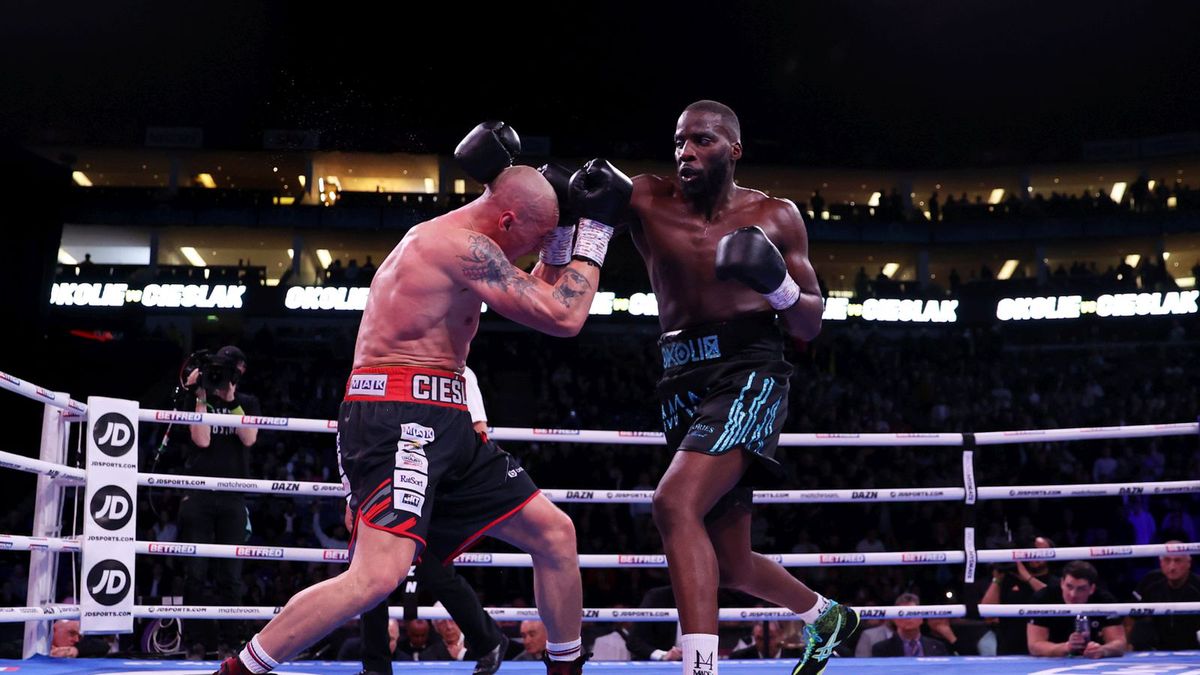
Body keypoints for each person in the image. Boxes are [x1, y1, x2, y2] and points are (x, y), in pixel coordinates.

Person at [213, 121, 631, 675]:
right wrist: (594, 233)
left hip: (446, 415)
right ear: (506, 220)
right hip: (398, 417)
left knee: (555, 533)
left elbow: (544, 293)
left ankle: (565, 671)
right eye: (531, 241)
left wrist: (559, 231)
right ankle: (237, 671)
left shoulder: (473, 239)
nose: (531, 257)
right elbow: (564, 314)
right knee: (376, 577)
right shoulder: (455, 247)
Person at [619, 99, 855, 675]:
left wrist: (775, 286)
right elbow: (560, 201)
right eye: (679, 143)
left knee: (673, 502)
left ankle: (699, 668)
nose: (686, 154)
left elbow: (810, 322)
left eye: (701, 141)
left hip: (750, 370)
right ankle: (825, 615)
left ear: (734, 149)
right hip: (679, 375)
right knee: (730, 564)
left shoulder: (776, 217)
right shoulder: (647, 199)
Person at [347, 366, 509, 675]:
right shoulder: (388, 372)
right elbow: (365, 438)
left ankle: (489, 639)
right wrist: (352, 496)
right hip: (392, 479)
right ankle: (375, 665)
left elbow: (479, 432)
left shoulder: (460, 372)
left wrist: (455, 491)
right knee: (370, 572)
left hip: (436, 485)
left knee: (435, 571)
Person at [180, 345, 259, 655]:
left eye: (229, 368)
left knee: (231, 576)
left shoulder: (248, 403)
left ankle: (233, 642)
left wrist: (230, 399)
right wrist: (200, 395)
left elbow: (249, 438)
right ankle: (195, 640)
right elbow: (202, 439)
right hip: (199, 494)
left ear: (240, 371)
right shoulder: (197, 399)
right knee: (195, 573)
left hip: (232, 497)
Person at [1026, 561, 1126, 659]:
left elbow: (1119, 643)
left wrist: (1102, 650)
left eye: (1081, 589)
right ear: (1061, 583)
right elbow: (1035, 645)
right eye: (1069, 586)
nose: (1073, 594)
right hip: (1054, 662)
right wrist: (1066, 647)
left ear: (1092, 589)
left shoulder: (1104, 600)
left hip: (1091, 661)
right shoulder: (1044, 598)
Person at [979, 535, 1058, 655]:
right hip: (1008, 651)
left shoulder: (1055, 582)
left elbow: (1053, 599)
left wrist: (1028, 578)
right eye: (1032, 549)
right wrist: (997, 579)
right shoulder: (1007, 579)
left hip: (1043, 652)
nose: (1035, 554)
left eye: (1041, 551)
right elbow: (987, 615)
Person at [1129, 541, 1200, 650]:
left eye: (1178, 561)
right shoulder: (1150, 581)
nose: (1172, 567)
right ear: (1161, 563)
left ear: (1188, 563)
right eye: (1167, 560)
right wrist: (1128, 646)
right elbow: (1130, 616)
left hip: (1193, 646)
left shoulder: (1197, 585)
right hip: (1156, 647)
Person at [870, 594, 951, 657]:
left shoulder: (938, 646)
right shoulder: (881, 649)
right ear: (894, 619)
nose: (908, 617)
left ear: (921, 617)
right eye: (903, 613)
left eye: (912, 612)